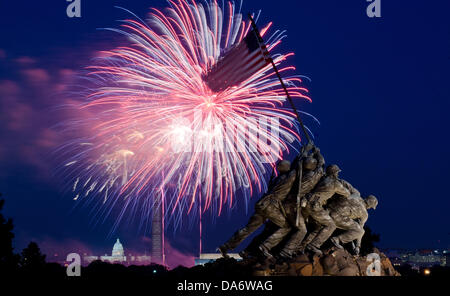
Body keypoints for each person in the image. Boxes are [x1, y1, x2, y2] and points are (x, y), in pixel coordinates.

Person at [218, 159, 297, 258]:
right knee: (286, 226)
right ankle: (265, 247)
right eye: (288, 166)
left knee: (248, 229)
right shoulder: (287, 178)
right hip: (270, 207)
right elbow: (296, 170)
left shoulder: (276, 179)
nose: (289, 168)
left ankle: (226, 246)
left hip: (262, 204)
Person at [278, 146, 325, 258]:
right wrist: (317, 152)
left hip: (286, 203)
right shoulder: (314, 175)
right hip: (295, 205)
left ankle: (289, 249)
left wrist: (304, 152)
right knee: (302, 230)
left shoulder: (298, 174)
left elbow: (297, 164)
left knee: (290, 227)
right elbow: (322, 163)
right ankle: (286, 251)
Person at [303, 164, 351, 255]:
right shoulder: (335, 183)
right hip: (314, 205)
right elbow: (347, 193)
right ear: (333, 173)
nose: (338, 175)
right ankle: (313, 245)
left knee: (318, 226)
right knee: (331, 225)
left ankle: (301, 247)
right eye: (337, 173)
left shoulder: (323, 179)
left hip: (306, 202)